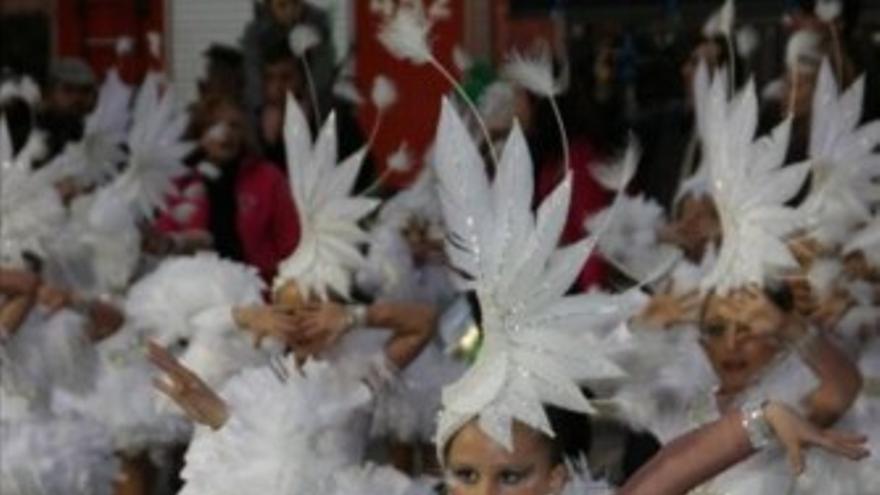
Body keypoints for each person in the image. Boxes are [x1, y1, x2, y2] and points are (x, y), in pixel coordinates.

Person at [151, 95, 299, 282]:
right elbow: (163, 234)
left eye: (234, 125)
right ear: (200, 133)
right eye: (215, 124)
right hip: (196, 289)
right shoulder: (181, 181)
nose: (225, 133)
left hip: (256, 289)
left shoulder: (267, 177)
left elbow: (290, 242)